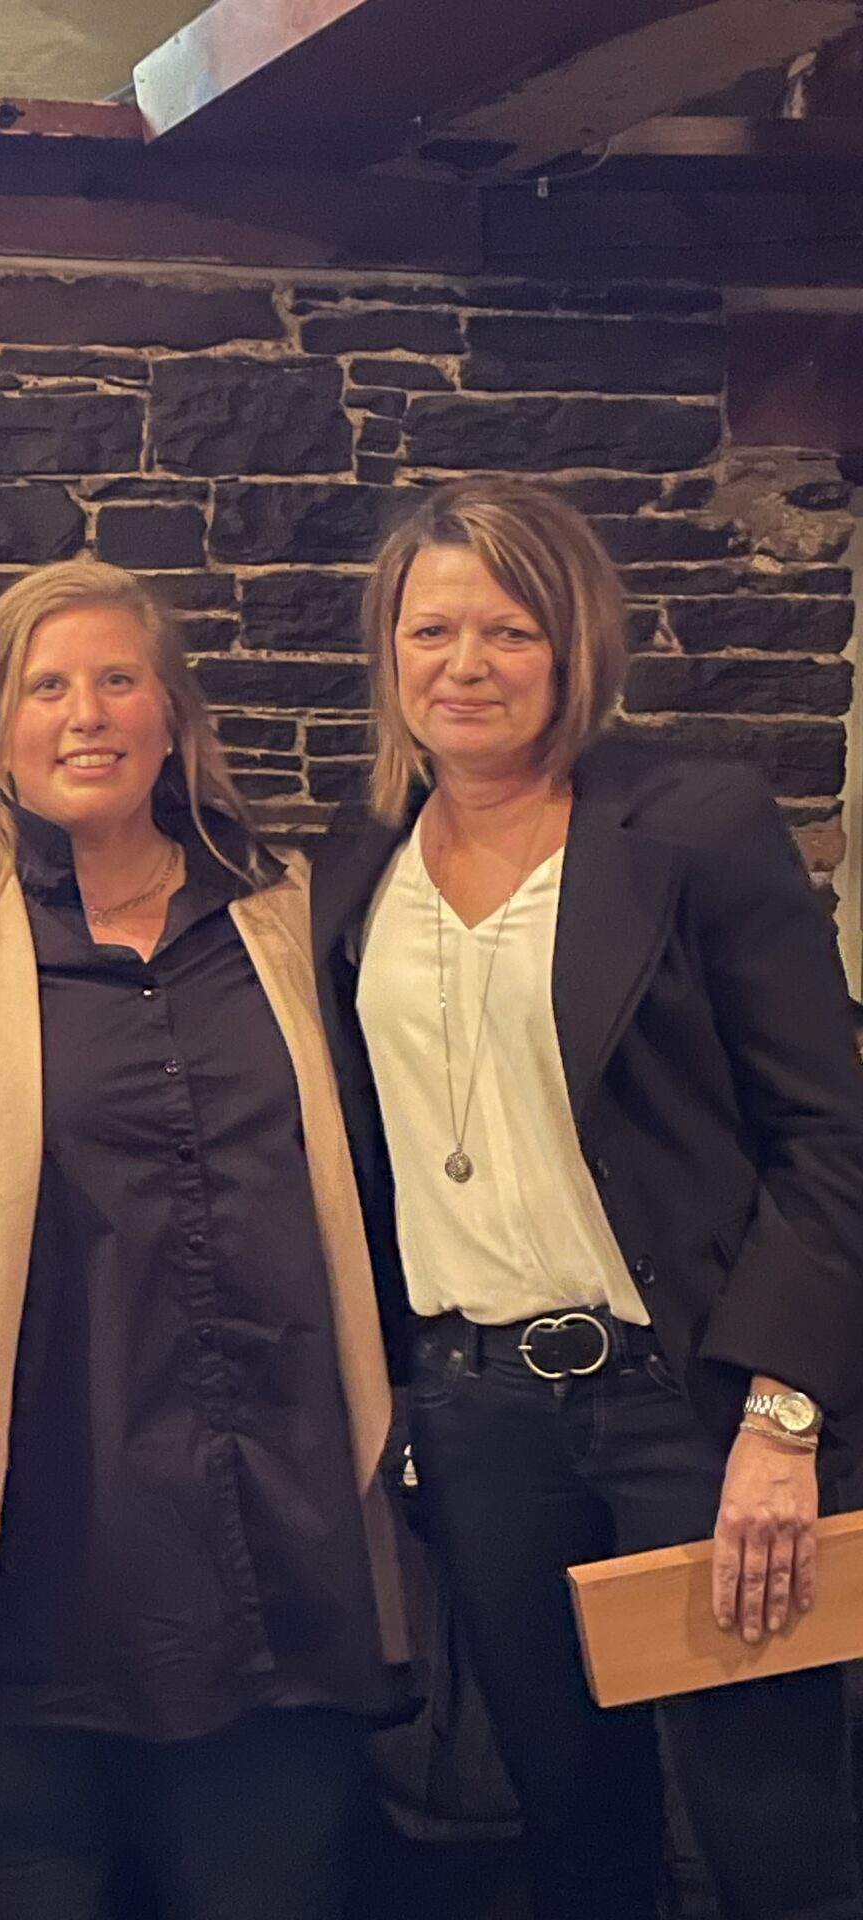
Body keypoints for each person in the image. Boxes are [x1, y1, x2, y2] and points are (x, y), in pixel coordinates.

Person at [0, 559, 416, 1920]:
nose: (86, 713)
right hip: (14, 1540)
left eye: (120, 679)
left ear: (174, 715)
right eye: (45, 686)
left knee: (274, 1885)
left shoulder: (292, 916)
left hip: (270, 1535)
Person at [310, 476, 863, 1920]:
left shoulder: (693, 827)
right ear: (389, 650)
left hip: (693, 1401)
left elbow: (828, 1134)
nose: (467, 664)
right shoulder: (353, 870)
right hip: (482, 1413)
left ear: (573, 646)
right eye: (433, 629)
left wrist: (784, 1417)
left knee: (773, 1829)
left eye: (508, 628)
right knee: (569, 1834)